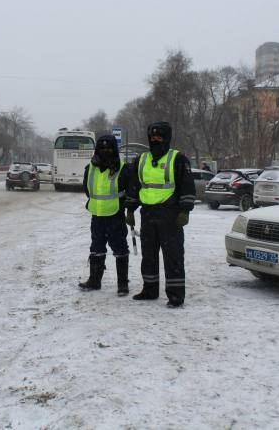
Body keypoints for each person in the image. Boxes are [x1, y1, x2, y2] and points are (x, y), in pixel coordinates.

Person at [125, 121, 195, 308]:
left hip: (170, 215)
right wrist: (130, 209)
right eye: (152, 137)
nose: (155, 140)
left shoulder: (178, 159)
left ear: (167, 138)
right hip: (148, 215)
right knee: (148, 256)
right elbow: (134, 186)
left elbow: (187, 186)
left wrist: (185, 211)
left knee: (173, 256)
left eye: (159, 137)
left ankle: (175, 295)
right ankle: (149, 290)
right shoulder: (141, 160)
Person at [79, 134, 132, 295]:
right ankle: (94, 281)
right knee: (96, 248)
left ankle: (122, 284)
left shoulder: (123, 168)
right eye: (102, 148)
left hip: (115, 215)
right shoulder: (90, 167)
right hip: (97, 215)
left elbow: (130, 191)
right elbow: (87, 188)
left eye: (109, 148)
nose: (105, 151)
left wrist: (128, 209)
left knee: (120, 249)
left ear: (114, 150)